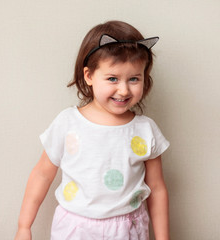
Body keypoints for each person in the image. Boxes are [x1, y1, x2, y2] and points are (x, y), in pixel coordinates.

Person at [15, 20, 170, 240]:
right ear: (89, 76)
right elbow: (42, 173)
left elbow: (157, 187)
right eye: (112, 78)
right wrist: (24, 226)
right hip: (76, 228)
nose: (124, 90)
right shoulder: (67, 123)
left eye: (134, 78)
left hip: (128, 228)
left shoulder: (146, 129)